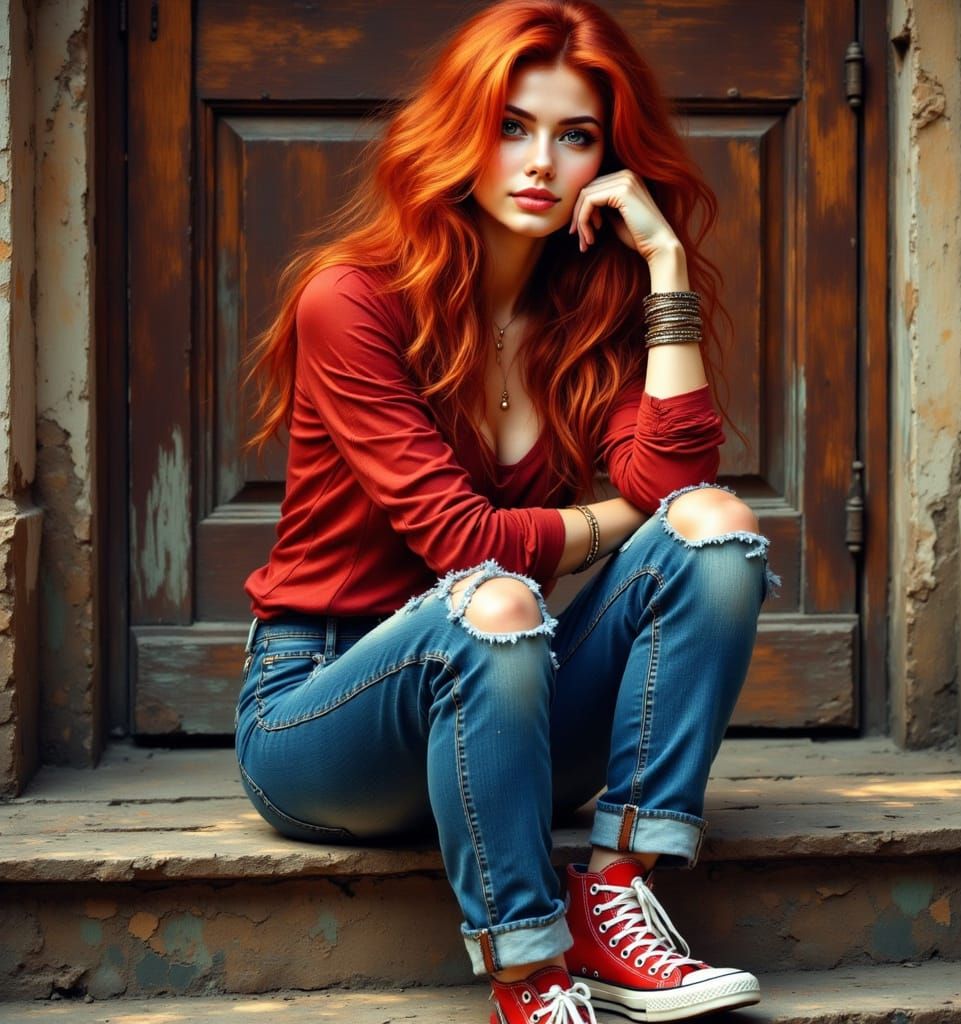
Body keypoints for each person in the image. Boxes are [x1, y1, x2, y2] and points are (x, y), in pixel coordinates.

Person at [235, 1, 780, 1021]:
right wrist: (616, 517)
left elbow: (677, 480)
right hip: (319, 715)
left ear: (607, 160)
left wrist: (661, 264)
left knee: (713, 530)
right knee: (488, 601)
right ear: (460, 131)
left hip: (507, 712)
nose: (540, 162)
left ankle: (617, 895)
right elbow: (466, 546)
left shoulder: (587, 316)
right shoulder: (351, 298)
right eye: (511, 126)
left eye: (573, 136)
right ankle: (529, 977)